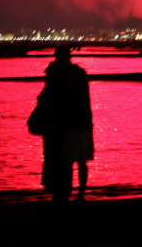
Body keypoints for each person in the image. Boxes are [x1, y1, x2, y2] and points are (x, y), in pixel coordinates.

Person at [40, 45, 94, 203]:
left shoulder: (59, 73)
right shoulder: (77, 73)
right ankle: (74, 193)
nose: (59, 57)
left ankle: (67, 193)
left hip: (70, 123)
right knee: (75, 160)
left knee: (67, 160)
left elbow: (50, 97)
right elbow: (84, 99)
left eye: (61, 55)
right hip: (76, 122)